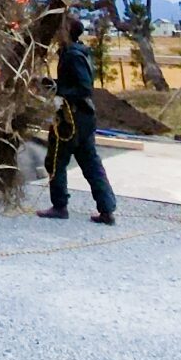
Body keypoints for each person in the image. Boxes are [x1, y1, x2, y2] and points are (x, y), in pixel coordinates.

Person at [36, 17, 117, 225]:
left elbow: (83, 88)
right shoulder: (79, 52)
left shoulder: (72, 55)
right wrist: (51, 84)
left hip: (71, 119)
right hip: (84, 118)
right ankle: (107, 209)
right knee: (90, 163)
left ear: (67, 32)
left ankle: (59, 206)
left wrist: (58, 92)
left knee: (55, 161)